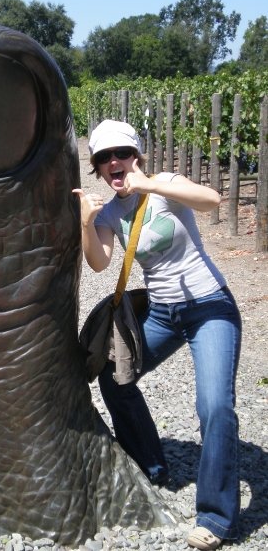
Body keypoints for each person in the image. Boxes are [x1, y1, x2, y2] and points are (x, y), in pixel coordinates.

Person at [73, 120, 241, 551]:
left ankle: (216, 517)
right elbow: (99, 262)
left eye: (122, 153)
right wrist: (87, 223)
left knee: (215, 405)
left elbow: (211, 199)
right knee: (114, 377)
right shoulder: (110, 214)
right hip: (163, 314)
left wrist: (149, 184)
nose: (115, 162)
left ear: (137, 155)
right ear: (97, 167)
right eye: (104, 157)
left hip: (209, 307)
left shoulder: (165, 183)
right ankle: (151, 465)